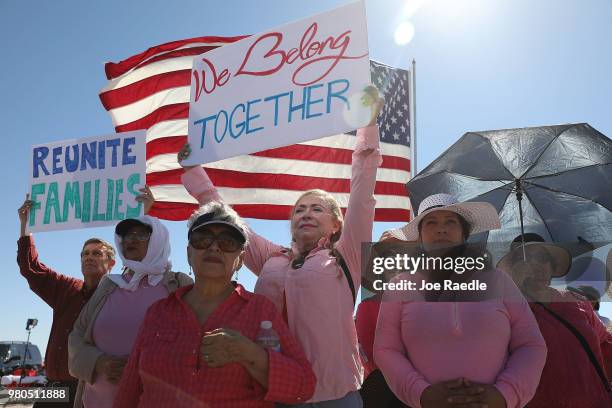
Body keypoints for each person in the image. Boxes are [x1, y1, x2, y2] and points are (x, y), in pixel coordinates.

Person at [177, 86, 384, 406]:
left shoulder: (347, 255)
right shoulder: (270, 258)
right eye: (300, 209)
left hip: (336, 397)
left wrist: (367, 126)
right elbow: (230, 220)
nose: (306, 214)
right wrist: (194, 172)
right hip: (276, 393)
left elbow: (362, 188)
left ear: (337, 224)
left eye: (317, 209)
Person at [113, 202, 316, 407]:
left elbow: (304, 386)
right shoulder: (157, 313)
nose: (214, 247)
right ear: (189, 253)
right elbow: (129, 389)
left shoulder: (261, 311)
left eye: (228, 242)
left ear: (240, 259)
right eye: (202, 239)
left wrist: (248, 353)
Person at [374, 193, 547, 408]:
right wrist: (422, 394)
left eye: (450, 222)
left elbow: (531, 345)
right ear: (419, 237)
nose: (441, 228)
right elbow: (385, 349)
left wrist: (505, 395)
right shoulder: (400, 286)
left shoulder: (498, 280)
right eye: (431, 222)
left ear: (464, 234)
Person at [68, 189, 193, 408]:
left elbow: (195, 341)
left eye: (141, 234)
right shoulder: (110, 285)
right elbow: (77, 335)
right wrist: (100, 363)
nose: (131, 240)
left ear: (158, 240)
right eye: (127, 235)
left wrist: (143, 367)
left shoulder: (179, 285)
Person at [17, 196, 116, 408]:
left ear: (111, 263)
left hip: (87, 391)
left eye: (97, 254)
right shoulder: (66, 288)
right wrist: (26, 226)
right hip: (51, 389)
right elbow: (31, 268)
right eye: (85, 254)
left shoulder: (118, 297)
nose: (89, 257)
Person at [498, 234, 612, 407]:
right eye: (524, 260)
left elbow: (604, 344)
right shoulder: (502, 312)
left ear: (552, 268)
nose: (534, 265)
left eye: (542, 258)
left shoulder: (577, 300)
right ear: (512, 271)